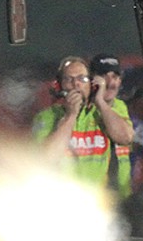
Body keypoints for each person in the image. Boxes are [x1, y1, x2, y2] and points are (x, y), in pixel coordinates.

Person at [32, 55, 134, 195]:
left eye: (82, 79)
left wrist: (100, 102)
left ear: (91, 85)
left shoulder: (103, 113)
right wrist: (70, 116)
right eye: (69, 79)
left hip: (101, 201)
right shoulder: (46, 116)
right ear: (59, 85)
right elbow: (46, 158)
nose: (76, 84)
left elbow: (125, 138)